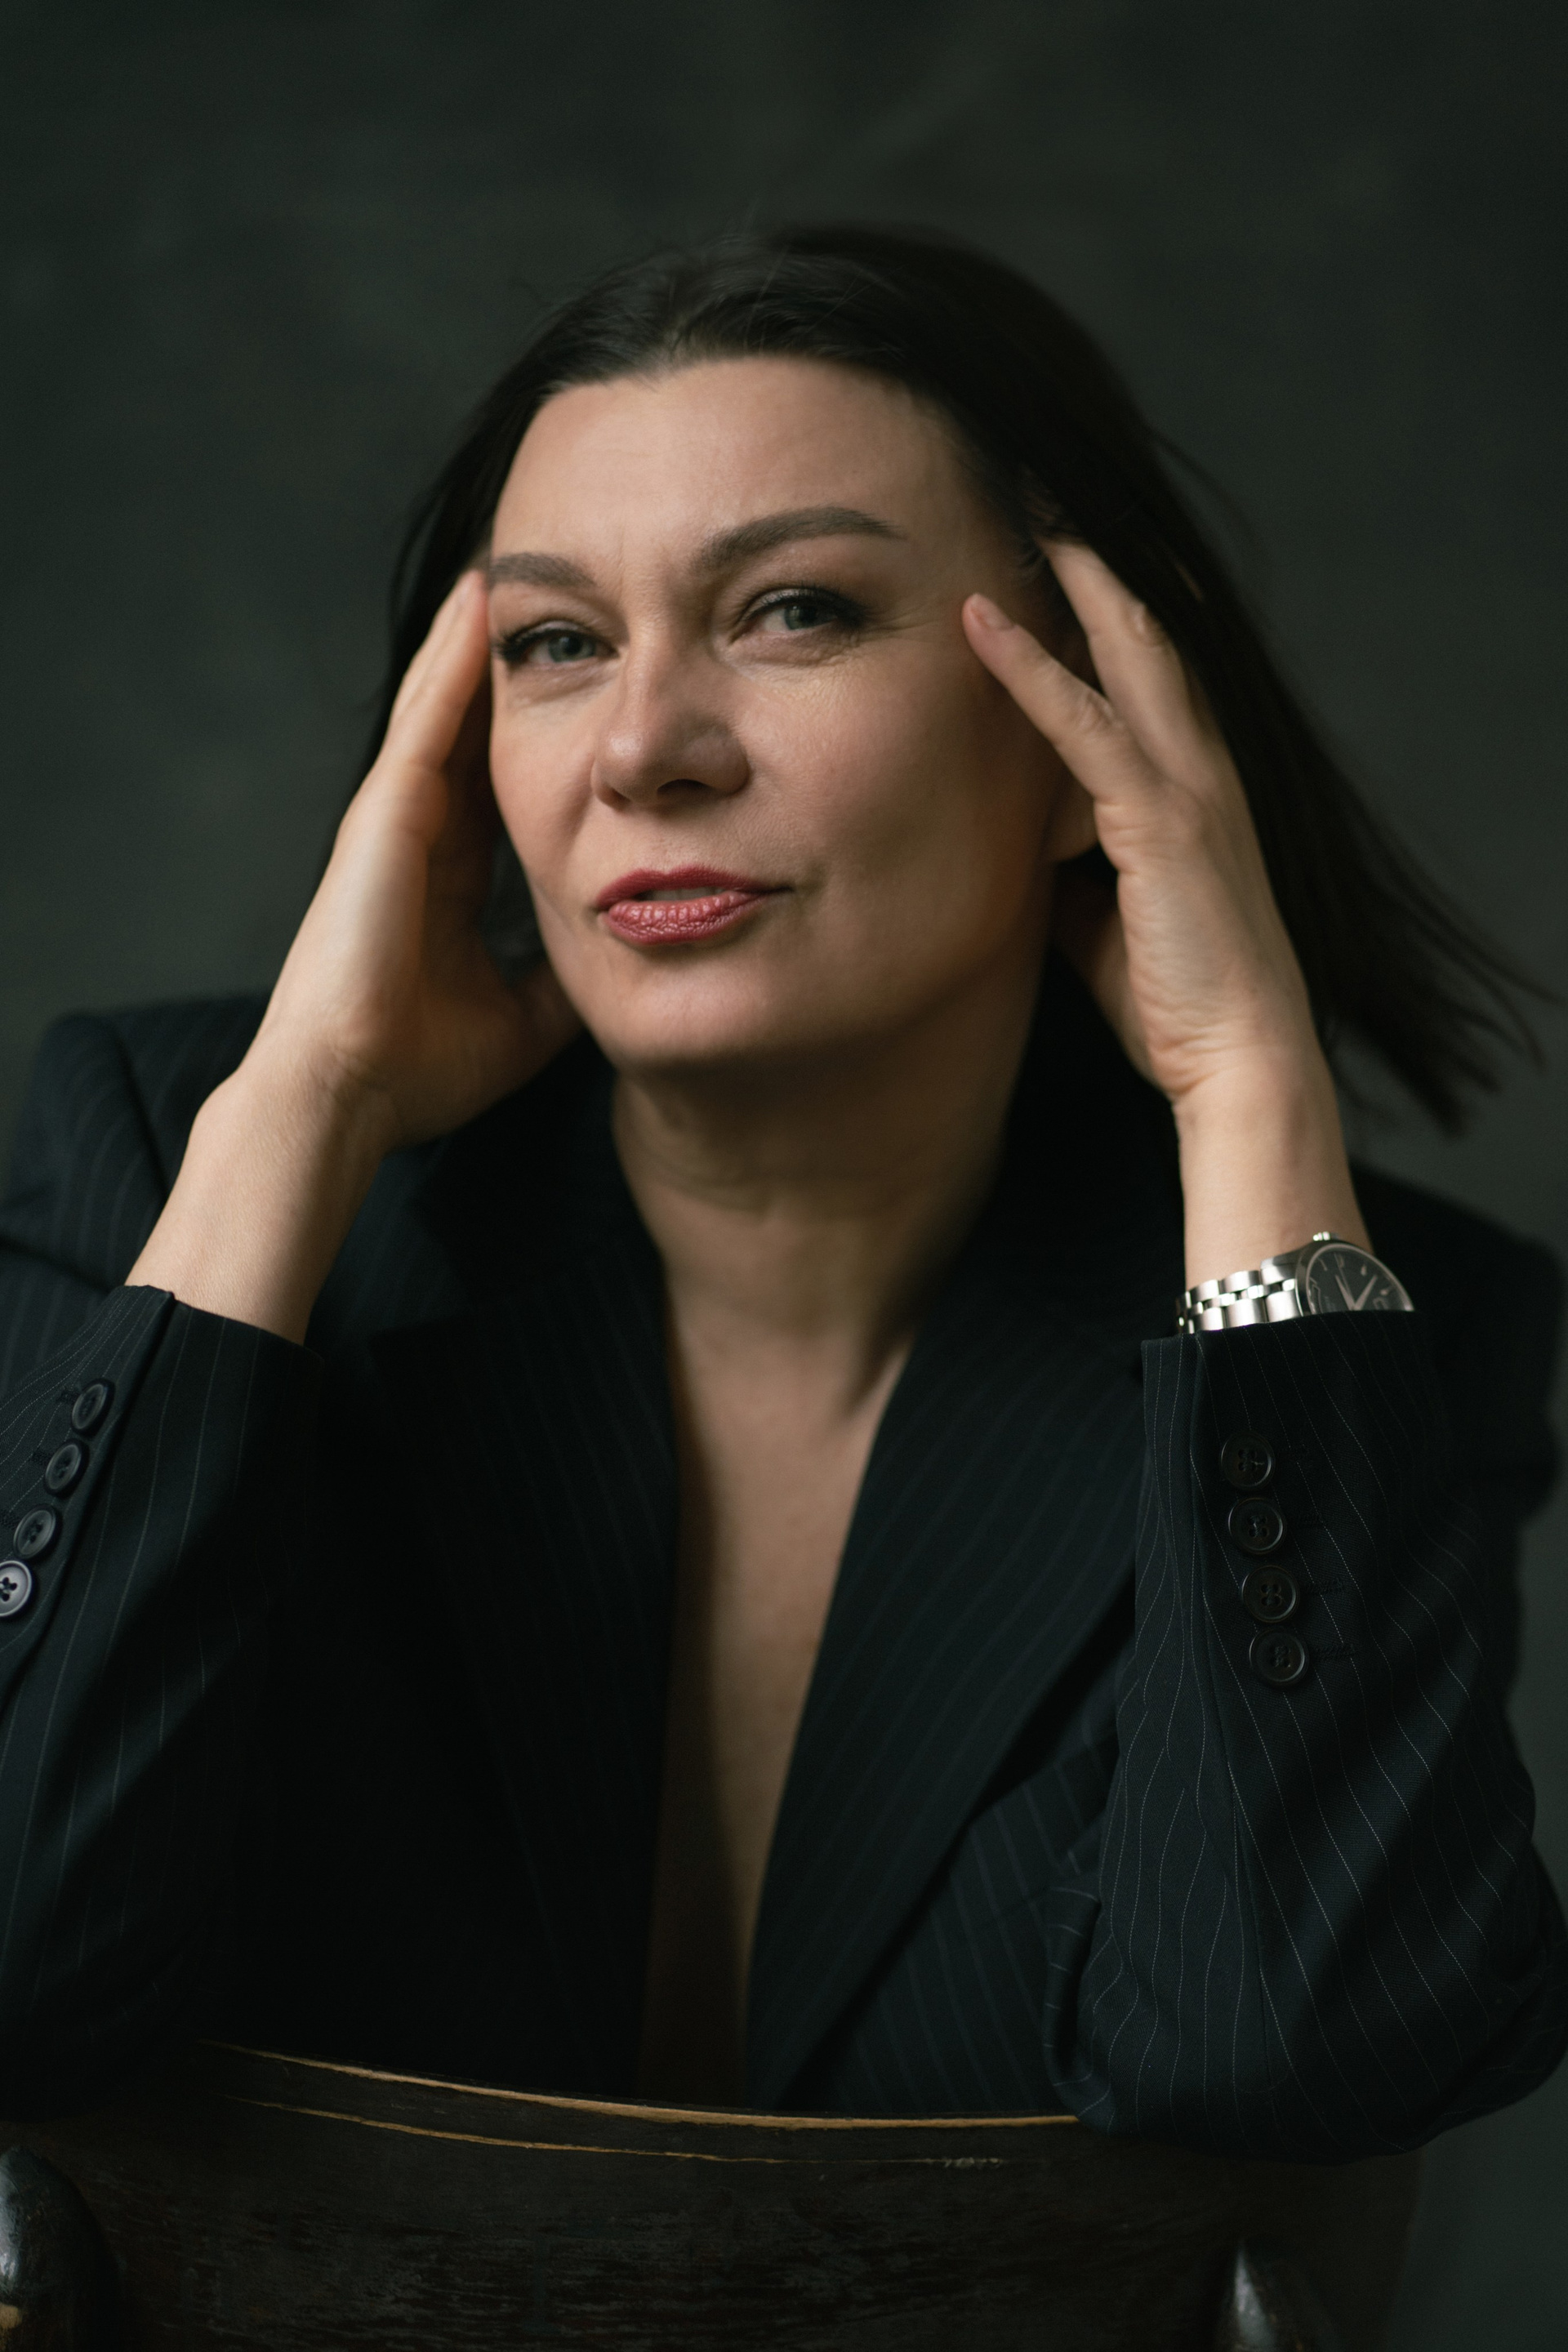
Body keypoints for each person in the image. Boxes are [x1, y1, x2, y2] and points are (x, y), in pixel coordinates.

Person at [0, 226, 1561, 2152]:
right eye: (556, 643)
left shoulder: (1348, 1328)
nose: (643, 751)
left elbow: (1292, 2055)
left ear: (1089, 725)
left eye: (795, 610)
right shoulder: (182, 1177)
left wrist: (1247, 1089)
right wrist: (297, 1112)